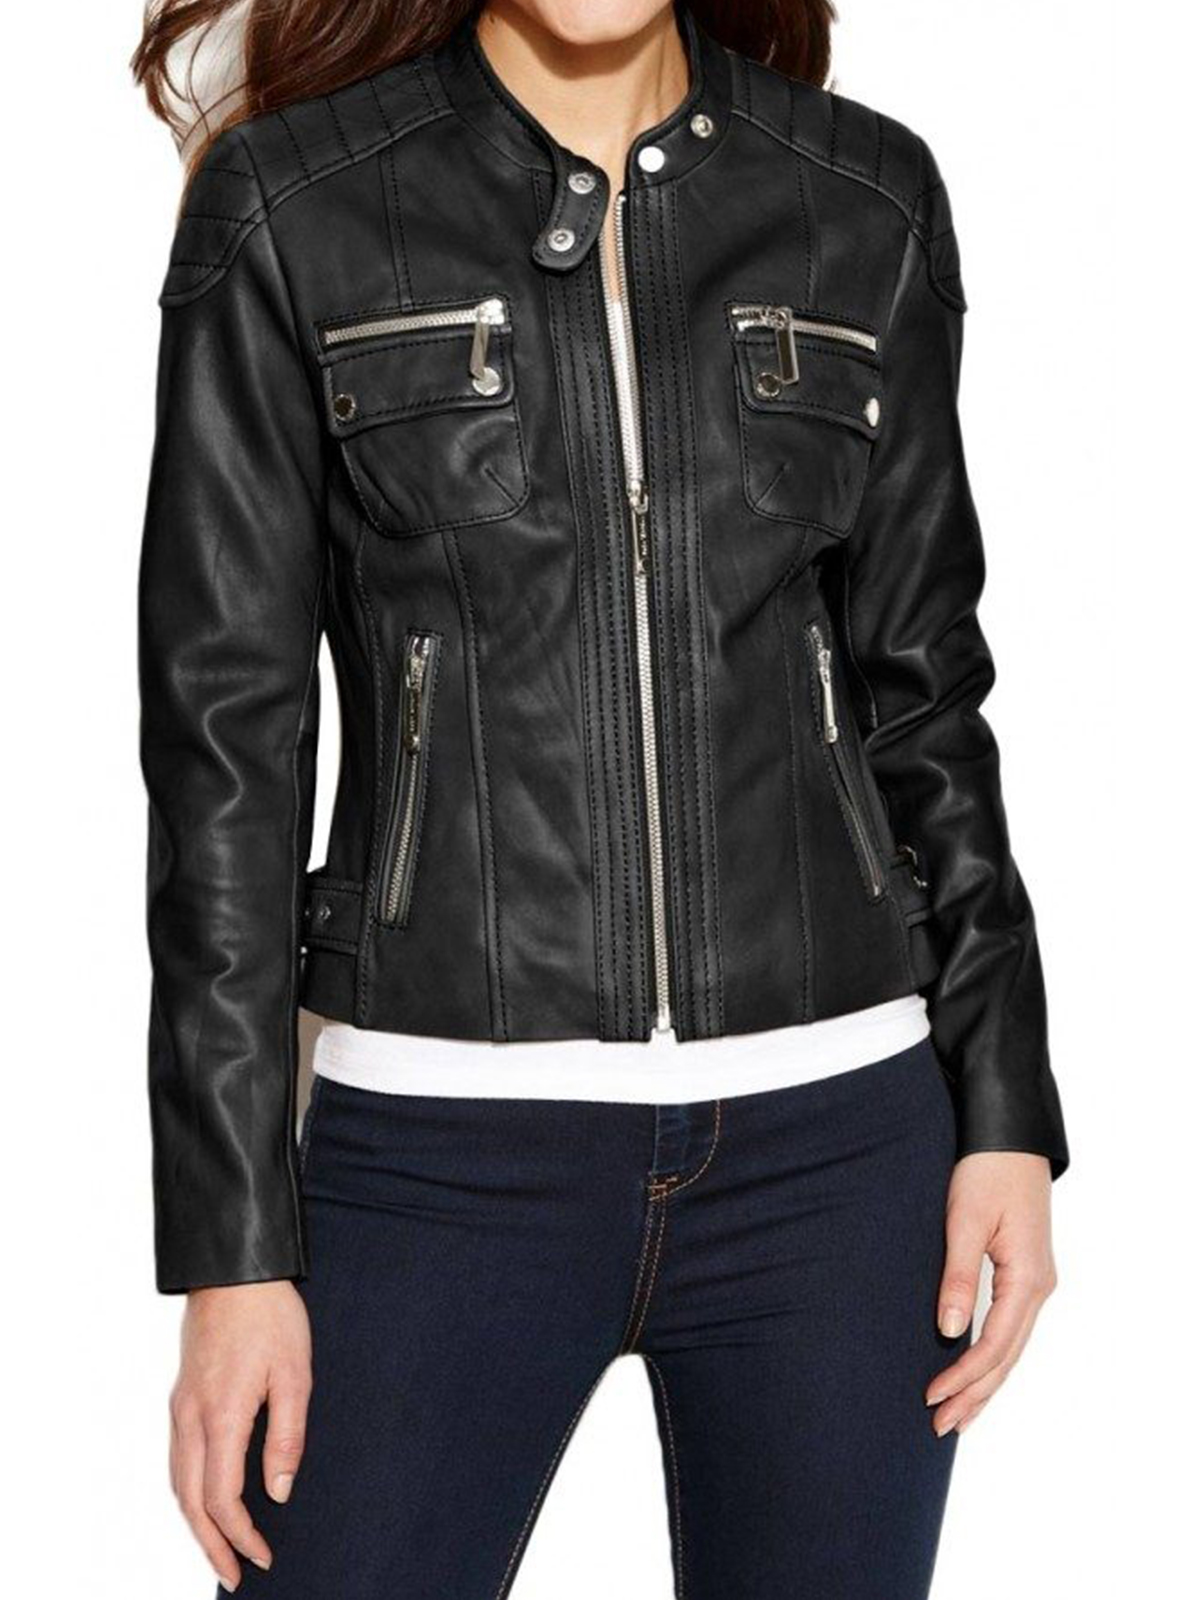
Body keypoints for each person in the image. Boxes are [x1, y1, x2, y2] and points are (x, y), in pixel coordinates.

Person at [134, 2, 1068, 1595]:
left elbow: (927, 694)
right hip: (435, 1149)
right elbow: (224, 752)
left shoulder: (859, 197)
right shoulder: (296, 203)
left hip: (840, 1149)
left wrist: (1005, 1114)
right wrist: (232, 1251)